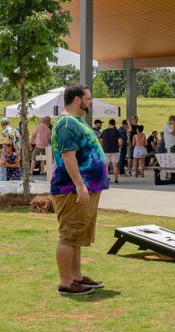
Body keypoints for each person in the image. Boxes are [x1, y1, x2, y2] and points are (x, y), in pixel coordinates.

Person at [50, 83, 107, 296]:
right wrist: (80, 184)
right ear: (77, 100)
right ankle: (66, 282)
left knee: (76, 236)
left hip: (82, 189)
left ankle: (77, 277)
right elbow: (68, 156)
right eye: (88, 98)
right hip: (71, 190)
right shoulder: (66, 123)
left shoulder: (76, 122)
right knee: (69, 235)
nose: (90, 102)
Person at [101, 119, 123, 184]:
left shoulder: (104, 131)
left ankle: (105, 180)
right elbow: (120, 142)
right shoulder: (117, 132)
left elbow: (101, 141)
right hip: (115, 150)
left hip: (106, 150)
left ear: (109, 124)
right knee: (115, 166)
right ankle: (116, 180)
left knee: (106, 166)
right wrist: (119, 145)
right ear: (114, 124)